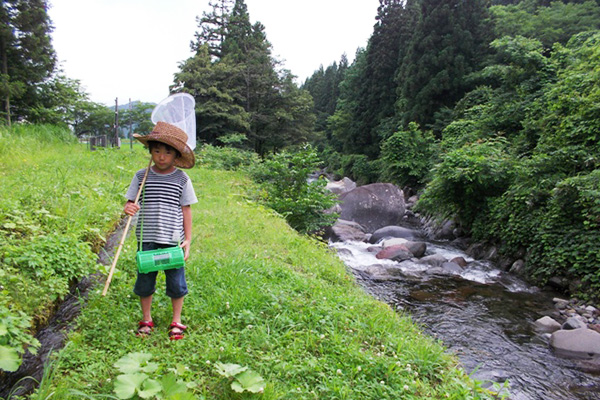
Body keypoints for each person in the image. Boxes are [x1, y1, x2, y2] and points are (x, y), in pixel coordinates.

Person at [123, 121, 197, 340]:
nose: (161, 156)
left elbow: (186, 209)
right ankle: (146, 318)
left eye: (167, 152)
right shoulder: (141, 177)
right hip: (147, 239)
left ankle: (177, 320)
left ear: (176, 155)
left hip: (173, 239)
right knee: (145, 280)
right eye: (156, 151)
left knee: (176, 281)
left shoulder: (181, 179)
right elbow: (130, 203)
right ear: (150, 152)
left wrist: (188, 240)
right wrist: (129, 208)